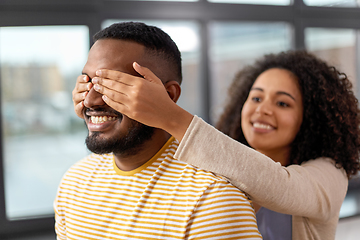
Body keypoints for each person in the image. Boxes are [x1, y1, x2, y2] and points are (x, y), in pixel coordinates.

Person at [73, 49, 360, 240]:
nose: (262, 110)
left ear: (311, 117)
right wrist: (102, 113)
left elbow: (278, 184)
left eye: (283, 103)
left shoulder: (329, 174)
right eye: (256, 97)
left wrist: (170, 116)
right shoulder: (218, 158)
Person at [55, 22, 262, 240]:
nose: (90, 100)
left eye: (113, 84)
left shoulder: (212, 200)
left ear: (169, 95)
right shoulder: (73, 184)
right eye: (88, 82)